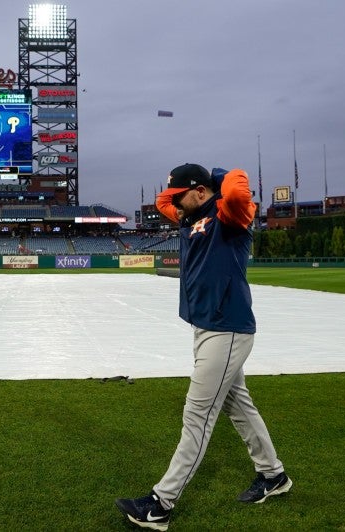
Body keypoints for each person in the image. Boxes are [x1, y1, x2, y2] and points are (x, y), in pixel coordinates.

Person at [115, 163, 291, 531]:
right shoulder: (188, 212)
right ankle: (273, 475)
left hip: (227, 328)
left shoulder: (229, 213)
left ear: (200, 190)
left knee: (197, 415)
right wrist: (182, 191)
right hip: (207, 327)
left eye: (182, 197)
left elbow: (240, 190)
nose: (173, 206)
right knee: (239, 406)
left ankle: (160, 505)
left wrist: (222, 175)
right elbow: (163, 199)